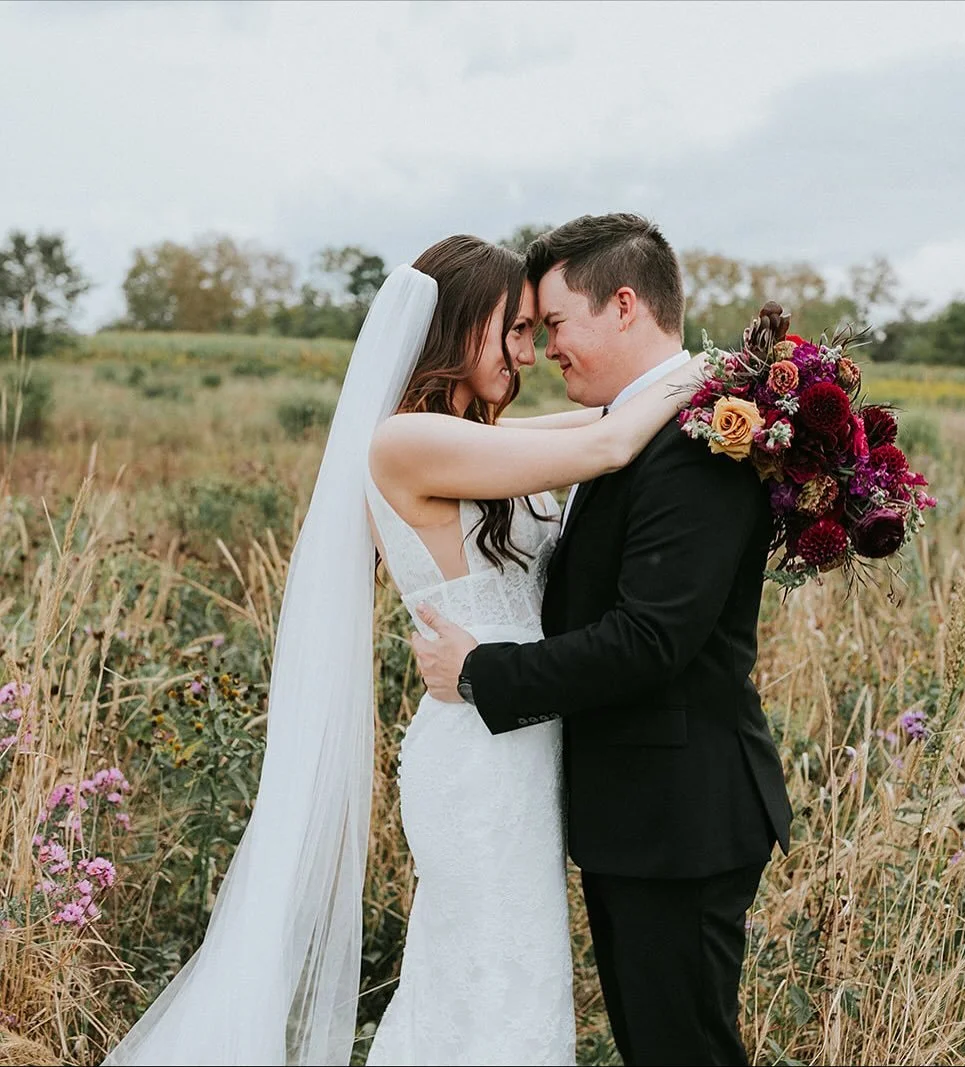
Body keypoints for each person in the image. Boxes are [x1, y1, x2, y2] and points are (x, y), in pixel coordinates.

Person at [103, 232, 700, 1067]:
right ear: (460, 325)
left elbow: (606, 414)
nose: (528, 352)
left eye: (536, 330)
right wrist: (712, 372)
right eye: (516, 330)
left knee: (498, 983)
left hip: (521, 735)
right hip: (477, 753)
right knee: (490, 988)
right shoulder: (405, 441)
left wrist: (710, 381)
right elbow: (607, 443)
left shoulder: (479, 436)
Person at [413, 214, 793, 1067]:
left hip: (679, 816)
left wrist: (480, 671)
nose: (543, 349)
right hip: (635, 812)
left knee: (680, 1049)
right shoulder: (629, 427)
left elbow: (649, 638)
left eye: (551, 324)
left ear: (622, 305)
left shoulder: (699, 443)